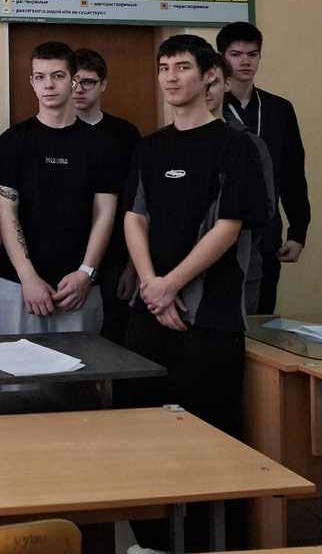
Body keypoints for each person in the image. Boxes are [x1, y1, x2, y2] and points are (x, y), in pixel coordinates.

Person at [121, 35, 267, 554]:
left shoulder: (236, 146)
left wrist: (170, 284)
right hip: (149, 317)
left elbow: (228, 227)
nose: (170, 77)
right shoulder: (150, 147)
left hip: (209, 319)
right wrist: (151, 286)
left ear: (209, 76)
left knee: (211, 439)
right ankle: (152, 542)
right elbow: (134, 217)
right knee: (144, 434)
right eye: (163, 67)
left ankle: (212, 543)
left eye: (181, 67)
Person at [0, 42, 117, 335]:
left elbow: (104, 214)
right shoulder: (13, 141)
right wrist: (28, 277)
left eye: (57, 76)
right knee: (16, 366)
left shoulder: (101, 144)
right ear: (32, 82)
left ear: (73, 81)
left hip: (79, 287)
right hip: (19, 285)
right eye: (40, 76)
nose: (48, 84)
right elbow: (5, 212)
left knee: (82, 366)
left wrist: (86, 272)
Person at [217, 21, 311, 314]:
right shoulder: (210, 107)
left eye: (252, 54)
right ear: (221, 57)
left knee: (262, 317)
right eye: (236, 54)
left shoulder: (279, 109)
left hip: (266, 232)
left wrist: (298, 230)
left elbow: (293, 173)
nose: (245, 61)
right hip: (220, 231)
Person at [70, 48, 141, 346]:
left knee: (114, 341)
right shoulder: (51, 131)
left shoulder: (125, 134)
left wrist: (132, 266)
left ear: (103, 85)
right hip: (67, 255)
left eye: (87, 82)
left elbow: (138, 203)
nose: (78, 89)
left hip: (116, 258)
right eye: (73, 81)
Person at [208, 55, 277, 314]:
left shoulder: (249, 144)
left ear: (226, 84)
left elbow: (265, 210)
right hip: (176, 272)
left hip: (239, 266)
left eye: (212, 83)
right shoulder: (163, 143)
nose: (205, 91)